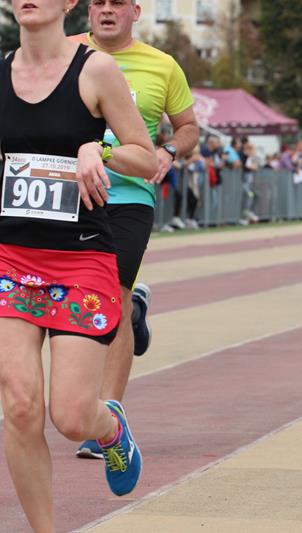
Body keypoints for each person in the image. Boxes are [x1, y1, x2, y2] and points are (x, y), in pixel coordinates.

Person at [0, 1, 158, 529]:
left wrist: (99, 151)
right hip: (9, 257)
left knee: (70, 417)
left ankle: (109, 428)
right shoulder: (1, 72)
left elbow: (146, 157)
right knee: (20, 406)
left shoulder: (95, 70)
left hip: (79, 258)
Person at [70, 0, 199, 460]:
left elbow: (188, 127)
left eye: (117, 3)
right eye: (99, 3)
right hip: (71, 193)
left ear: (136, 12)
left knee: (115, 298)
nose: (107, 10)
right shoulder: (65, 54)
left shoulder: (162, 65)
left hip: (129, 196)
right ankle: (136, 316)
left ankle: (107, 419)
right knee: (73, 302)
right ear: (87, 10)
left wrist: (167, 150)